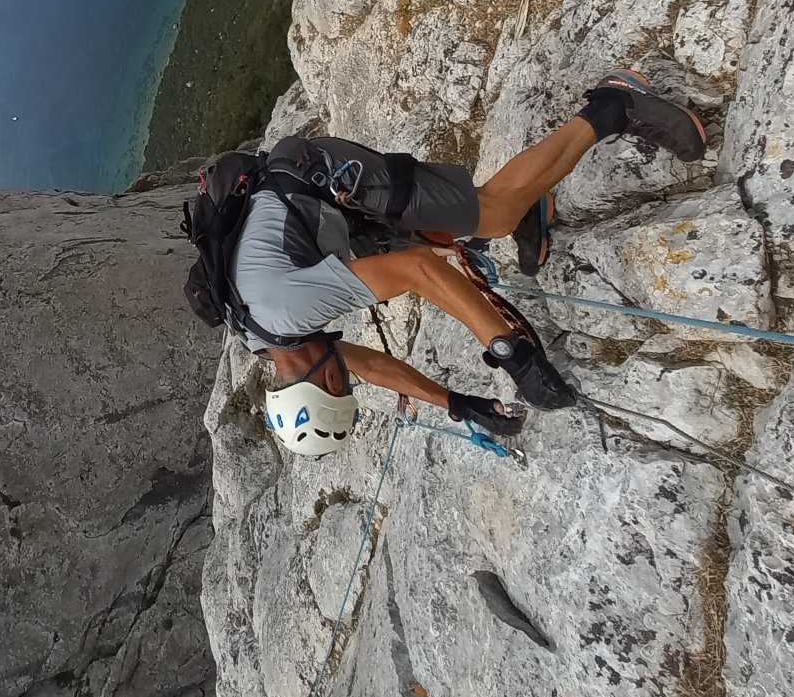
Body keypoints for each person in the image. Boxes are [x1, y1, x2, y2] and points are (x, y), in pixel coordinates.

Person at [235, 70, 707, 457]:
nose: (347, 379)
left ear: (331, 381)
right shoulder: (271, 343)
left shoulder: (291, 312)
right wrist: (456, 403)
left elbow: (420, 270)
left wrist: (511, 354)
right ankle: (531, 207)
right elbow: (375, 366)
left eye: (342, 387)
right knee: (437, 234)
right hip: (306, 200)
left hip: (327, 176)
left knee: (492, 213)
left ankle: (613, 105)